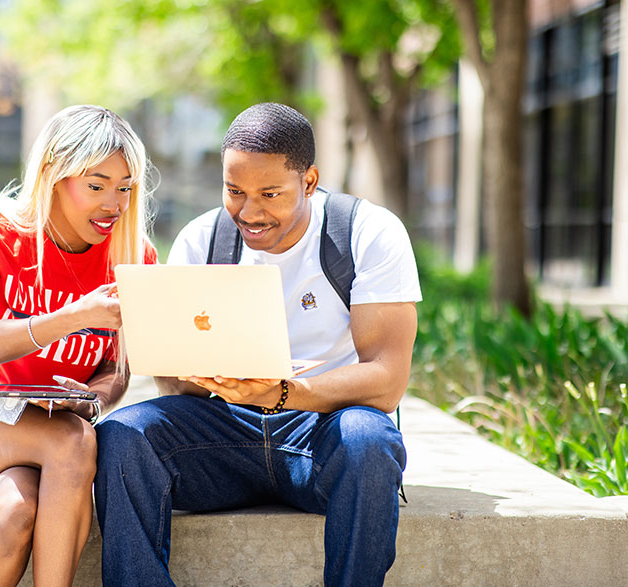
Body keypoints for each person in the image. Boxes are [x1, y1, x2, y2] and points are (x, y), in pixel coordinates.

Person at [94, 102, 420, 587]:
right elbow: (172, 383)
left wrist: (283, 393)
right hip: (225, 433)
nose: (249, 212)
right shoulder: (202, 240)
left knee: (368, 440)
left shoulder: (367, 233)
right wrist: (201, 373)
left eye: (270, 193)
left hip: (323, 437)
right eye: (234, 191)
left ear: (309, 181)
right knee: (123, 434)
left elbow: (386, 380)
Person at [0, 104, 157, 587]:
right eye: (96, 185)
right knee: (74, 444)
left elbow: (116, 368)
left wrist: (92, 398)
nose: (113, 204)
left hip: (53, 424)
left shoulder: (133, 255)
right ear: (54, 174)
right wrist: (70, 317)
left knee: (16, 511)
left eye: (124, 188)